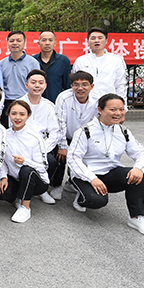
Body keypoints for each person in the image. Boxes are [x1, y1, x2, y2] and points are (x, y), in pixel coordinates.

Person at [69, 94, 144, 237]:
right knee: (97, 201)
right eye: (113, 109)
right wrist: (92, 179)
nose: (118, 113)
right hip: (87, 175)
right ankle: (80, 198)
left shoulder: (123, 131)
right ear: (100, 110)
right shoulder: (85, 131)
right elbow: (73, 159)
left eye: (121, 109)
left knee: (139, 177)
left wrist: (138, 168)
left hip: (111, 173)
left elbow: (142, 153)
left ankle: (136, 217)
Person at [0, 100, 50, 223]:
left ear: (28, 116)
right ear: (8, 114)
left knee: (26, 170)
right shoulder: (4, 134)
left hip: (37, 181)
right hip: (15, 178)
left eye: (22, 114)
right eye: (13, 113)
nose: (17, 117)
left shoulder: (35, 138)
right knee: (1, 192)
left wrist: (25, 161)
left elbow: (43, 167)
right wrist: (3, 177)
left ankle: (25, 207)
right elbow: (1, 160)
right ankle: (19, 196)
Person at [16, 69, 61, 204]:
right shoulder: (18, 104)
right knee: (19, 165)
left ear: (45, 86)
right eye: (33, 82)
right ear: (26, 85)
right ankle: (20, 193)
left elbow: (54, 132)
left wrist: (41, 149)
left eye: (40, 83)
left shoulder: (49, 106)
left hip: (42, 145)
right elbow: (13, 128)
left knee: (51, 161)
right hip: (21, 144)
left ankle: (41, 190)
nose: (37, 85)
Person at [52, 71, 98, 199]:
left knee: (85, 158)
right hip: (66, 134)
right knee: (60, 157)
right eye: (76, 84)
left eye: (84, 84)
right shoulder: (63, 97)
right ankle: (56, 185)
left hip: (85, 137)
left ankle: (73, 182)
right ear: (71, 86)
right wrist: (62, 146)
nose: (80, 88)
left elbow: (97, 123)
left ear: (92, 86)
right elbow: (60, 122)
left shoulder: (97, 100)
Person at [72, 27, 128, 105]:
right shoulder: (80, 61)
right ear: (88, 41)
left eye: (100, 38)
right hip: (86, 104)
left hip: (109, 103)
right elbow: (75, 84)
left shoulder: (116, 60)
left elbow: (121, 85)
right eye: (93, 38)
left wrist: (122, 105)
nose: (96, 40)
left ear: (106, 41)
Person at [0, 31, 40, 127]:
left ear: (24, 43)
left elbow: (36, 84)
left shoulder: (33, 63)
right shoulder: (1, 63)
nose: (15, 43)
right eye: (12, 41)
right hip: (7, 102)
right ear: (7, 43)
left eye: (18, 40)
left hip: (26, 101)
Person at [33, 31, 71, 103]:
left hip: (56, 102)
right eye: (44, 40)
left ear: (55, 43)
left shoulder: (63, 61)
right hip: (35, 102)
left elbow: (67, 85)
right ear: (38, 43)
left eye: (50, 40)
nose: (47, 43)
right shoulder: (32, 61)